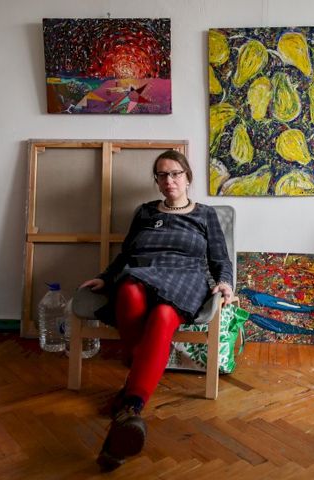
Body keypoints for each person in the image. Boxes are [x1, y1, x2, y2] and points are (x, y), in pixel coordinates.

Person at [79, 149, 234, 471]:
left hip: (186, 276)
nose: (169, 180)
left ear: (187, 177)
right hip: (142, 271)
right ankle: (133, 402)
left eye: (175, 173)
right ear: (157, 180)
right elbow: (126, 254)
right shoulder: (145, 212)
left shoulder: (205, 215)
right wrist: (105, 277)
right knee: (128, 289)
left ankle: (132, 401)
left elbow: (220, 258)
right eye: (162, 175)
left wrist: (225, 283)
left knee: (164, 314)